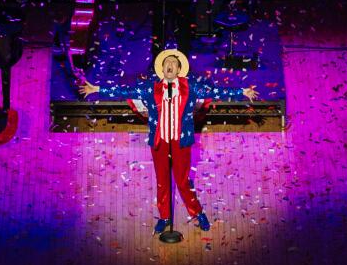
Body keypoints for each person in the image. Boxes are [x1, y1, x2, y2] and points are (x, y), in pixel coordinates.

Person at [79, 48, 258, 233]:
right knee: (162, 180)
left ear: (179, 69)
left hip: (181, 141)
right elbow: (124, 90)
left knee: (182, 180)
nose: (170, 65)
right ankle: (164, 217)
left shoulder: (191, 87)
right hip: (160, 140)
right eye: (167, 63)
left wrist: (243, 91)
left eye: (174, 63)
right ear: (162, 69)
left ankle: (197, 212)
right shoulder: (151, 88)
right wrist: (97, 89)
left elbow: (216, 91)